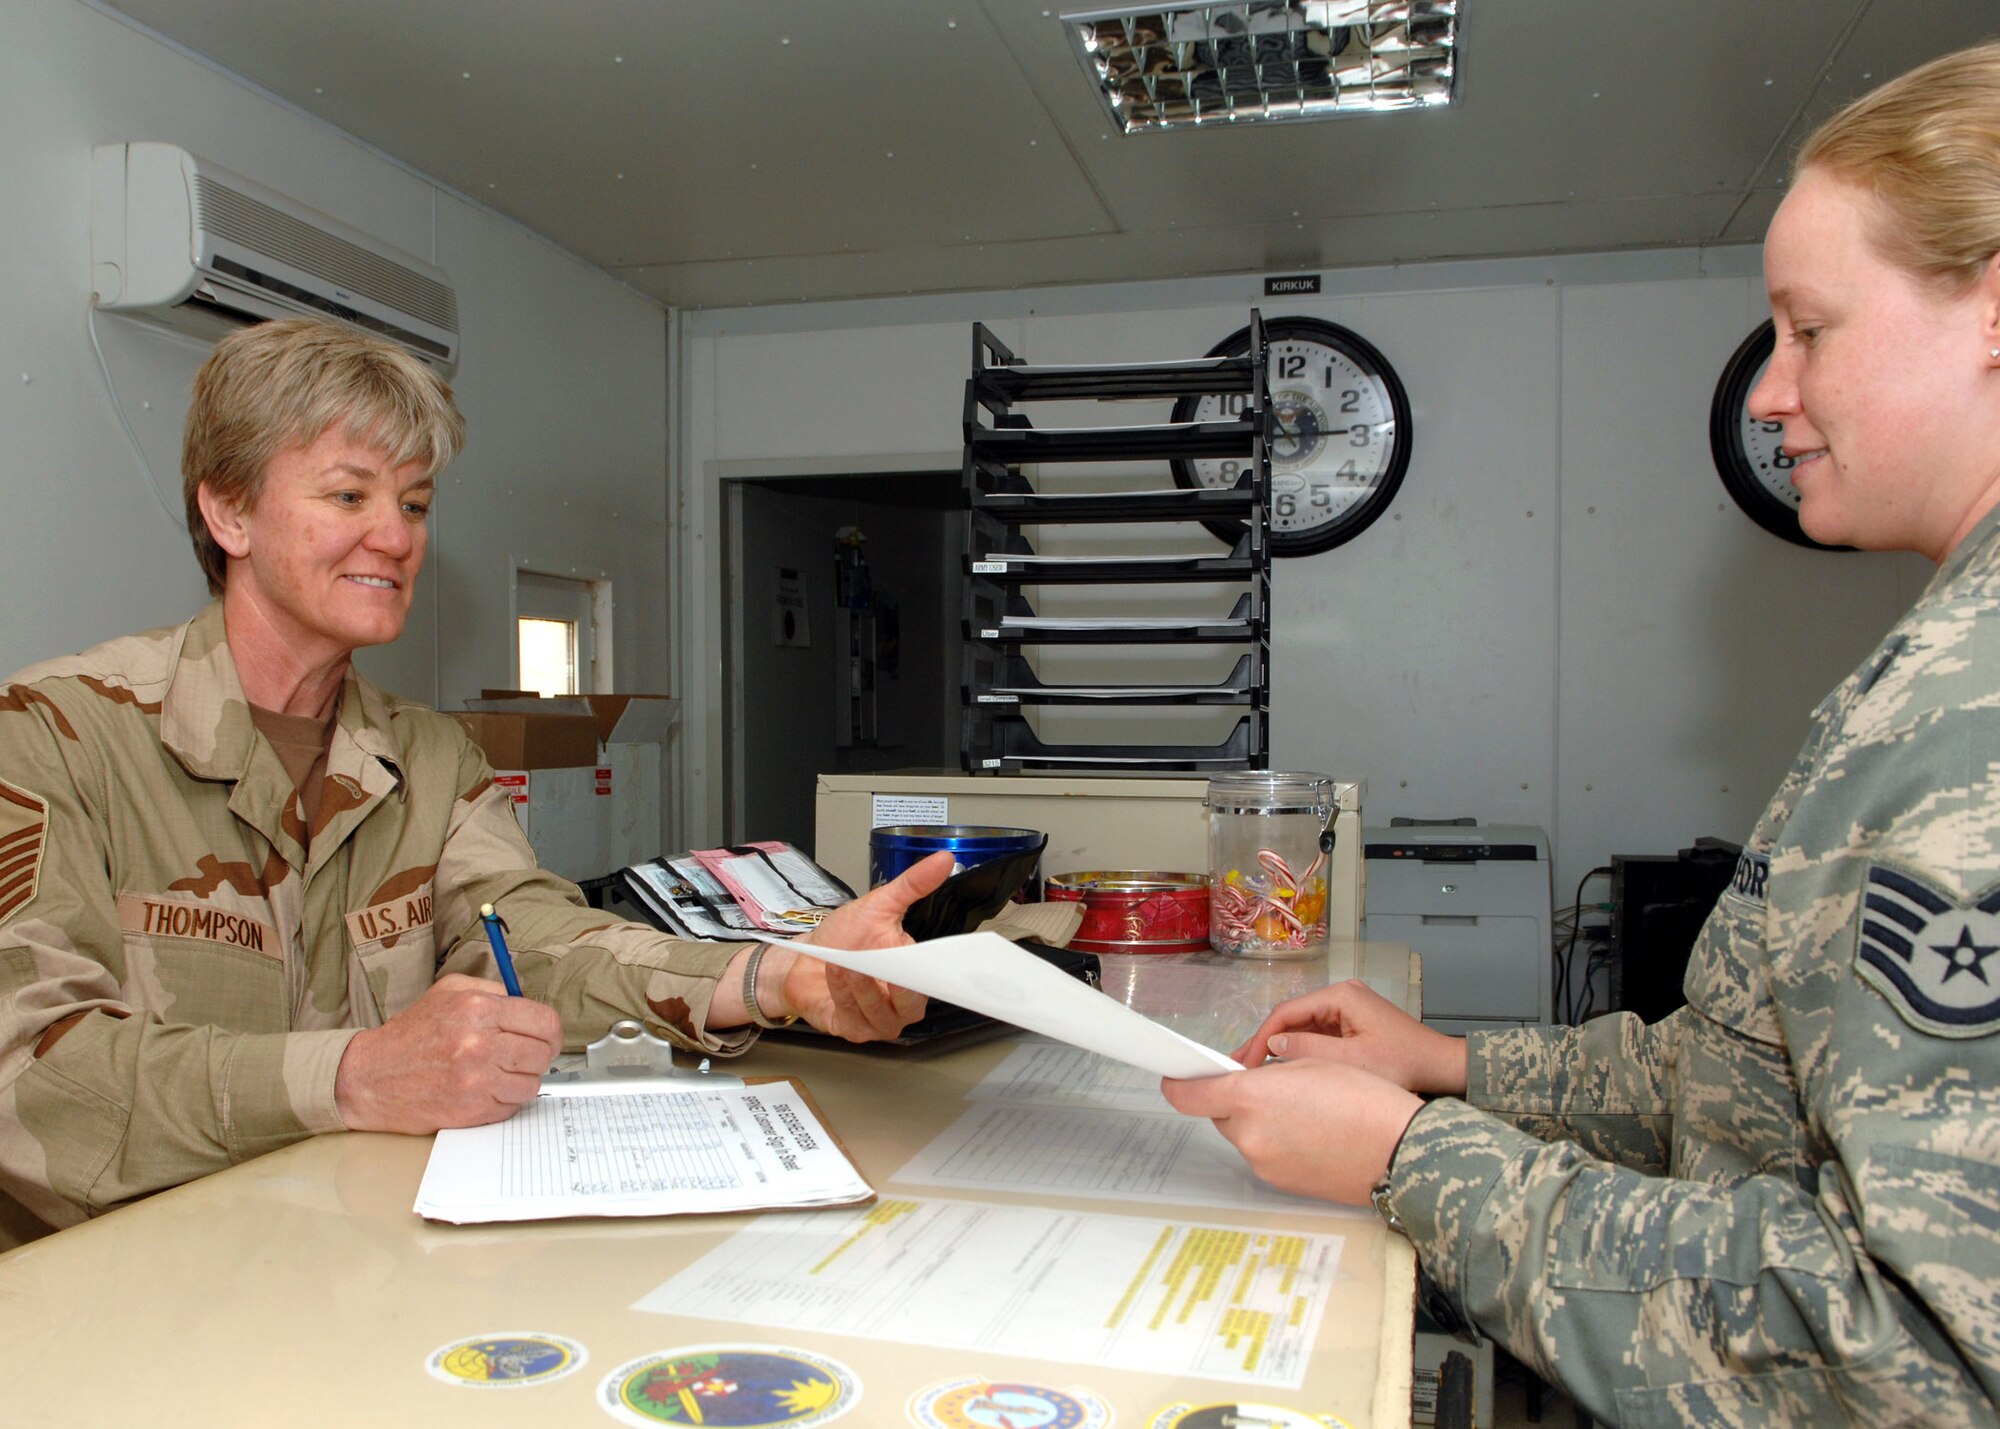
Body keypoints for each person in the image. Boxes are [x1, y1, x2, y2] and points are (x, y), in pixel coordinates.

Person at [1163, 42, 2000, 1428]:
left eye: (1809, 328)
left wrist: (1413, 1157)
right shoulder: (1938, 660)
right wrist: (1450, 1064)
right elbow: (1736, 1077)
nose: (1768, 391)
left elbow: (1907, 1351)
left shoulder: (1972, 708)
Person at [0, 316, 950, 1251]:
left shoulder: (429, 757)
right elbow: (28, 1072)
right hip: (122, 1287)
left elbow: (531, 942)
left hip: (349, 1262)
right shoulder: (57, 735)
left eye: (414, 504)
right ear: (229, 513)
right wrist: (355, 1075)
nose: (395, 536)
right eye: (349, 494)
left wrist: (778, 973)